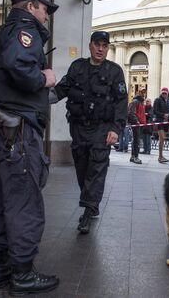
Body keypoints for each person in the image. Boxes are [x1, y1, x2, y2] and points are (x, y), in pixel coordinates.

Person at [0, 0, 59, 295]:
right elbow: (18, 65)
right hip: (16, 131)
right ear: (32, 7)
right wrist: (43, 78)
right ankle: (23, 274)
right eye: (45, 8)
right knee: (23, 201)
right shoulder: (26, 29)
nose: (47, 15)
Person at [54, 31, 127, 234]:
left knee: (96, 168)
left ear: (108, 48)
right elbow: (63, 88)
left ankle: (87, 212)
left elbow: (121, 102)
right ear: (90, 46)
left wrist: (116, 129)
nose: (100, 49)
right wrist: (41, 97)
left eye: (104, 45)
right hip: (78, 127)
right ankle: (91, 202)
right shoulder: (77, 66)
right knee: (82, 168)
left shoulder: (114, 71)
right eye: (97, 44)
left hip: (102, 129)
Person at [153, 87, 169, 163]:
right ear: (161, 93)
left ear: (168, 93)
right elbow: (155, 110)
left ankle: (161, 156)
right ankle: (160, 156)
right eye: (163, 93)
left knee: (162, 139)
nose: (164, 94)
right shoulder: (157, 100)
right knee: (162, 137)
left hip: (167, 122)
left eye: (165, 93)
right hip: (160, 121)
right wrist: (163, 115)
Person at [127, 94, 146, 164]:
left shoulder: (139, 102)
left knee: (136, 140)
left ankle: (133, 156)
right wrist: (136, 121)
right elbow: (131, 112)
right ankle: (136, 157)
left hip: (140, 124)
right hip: (137, 124)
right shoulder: (135, 102)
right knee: (136, 141)